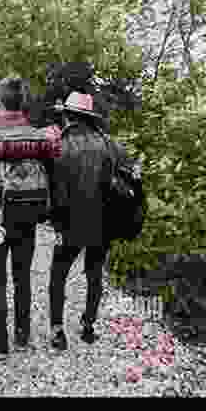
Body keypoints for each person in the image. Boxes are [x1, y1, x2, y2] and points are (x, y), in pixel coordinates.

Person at [0, 77, 61, 358]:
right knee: (22, 277)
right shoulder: (39, 138)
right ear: (24, 105)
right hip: (28, 215)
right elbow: (52, 173)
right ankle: (22, 335)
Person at [46, 89, 130, 351]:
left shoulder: (59, 144)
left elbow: (51, 189)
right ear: (90, 117)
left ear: (69, 116)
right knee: (95, 275)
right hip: (102, 225)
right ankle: (88, 326)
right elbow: (126, 180)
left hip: (68, 225)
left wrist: (53, 218)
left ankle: (58, 331)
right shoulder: (111, 145)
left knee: (58, 274)